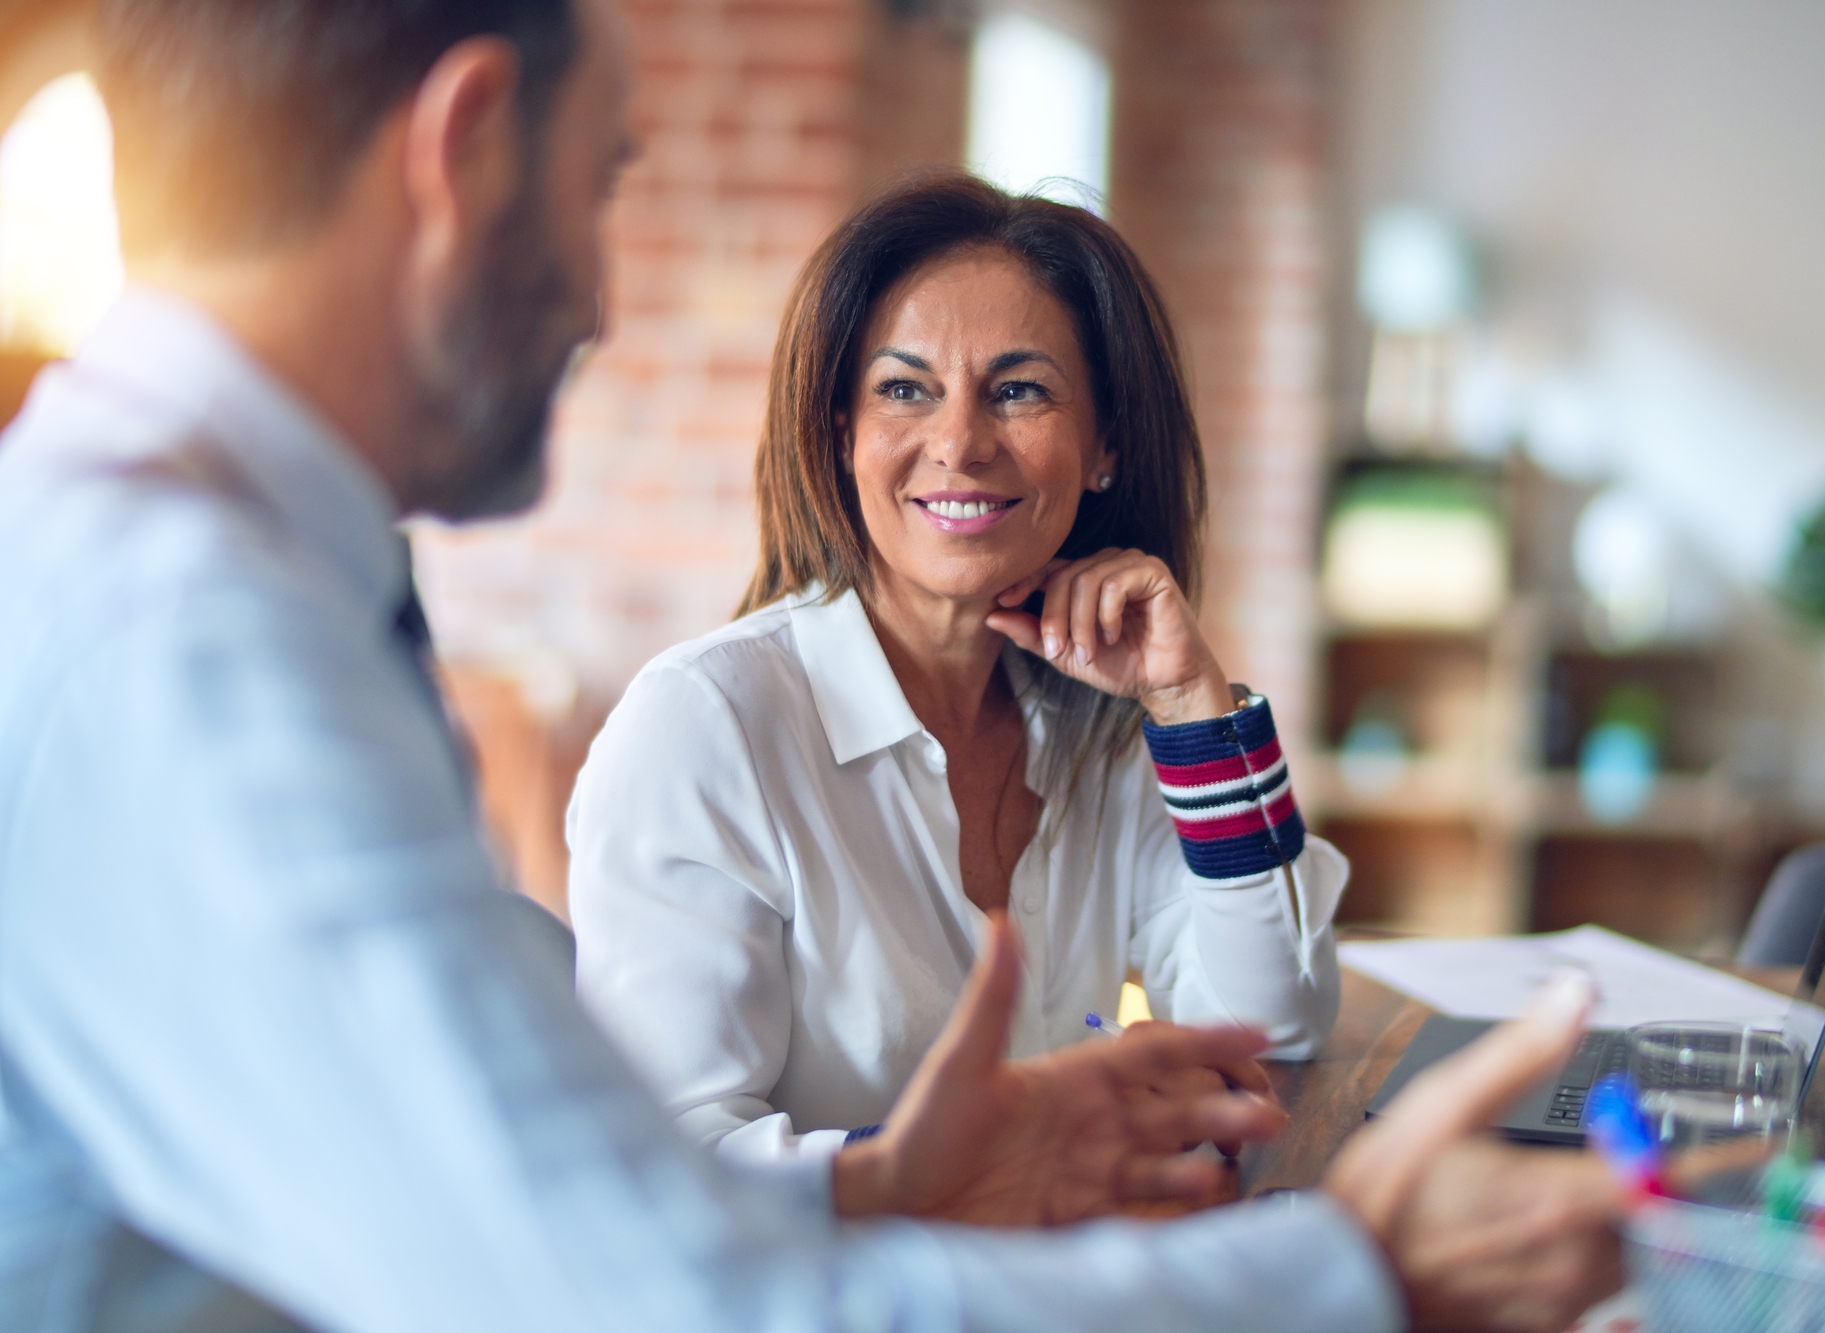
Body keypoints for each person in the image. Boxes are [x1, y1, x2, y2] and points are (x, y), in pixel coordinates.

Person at [0, 0, 1624, 1329]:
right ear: (465, 145)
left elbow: (555, 1198)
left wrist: (892, 1177)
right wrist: (1349, 1273)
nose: (601, 295)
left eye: (1020, 391)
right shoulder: (194, 636)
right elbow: (641, 1292)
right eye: (603, 185)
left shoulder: (202, 571)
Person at [569, 176, 1348, 1165]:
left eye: (1018, 390)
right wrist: (1001, 1155)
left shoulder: (1100, 719)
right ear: (838, 432)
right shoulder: (704, 725)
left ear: (1104, 443)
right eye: (904, 389)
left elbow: (1275, 1019)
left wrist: (1194, 709)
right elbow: (666, 1157)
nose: (959, 443)